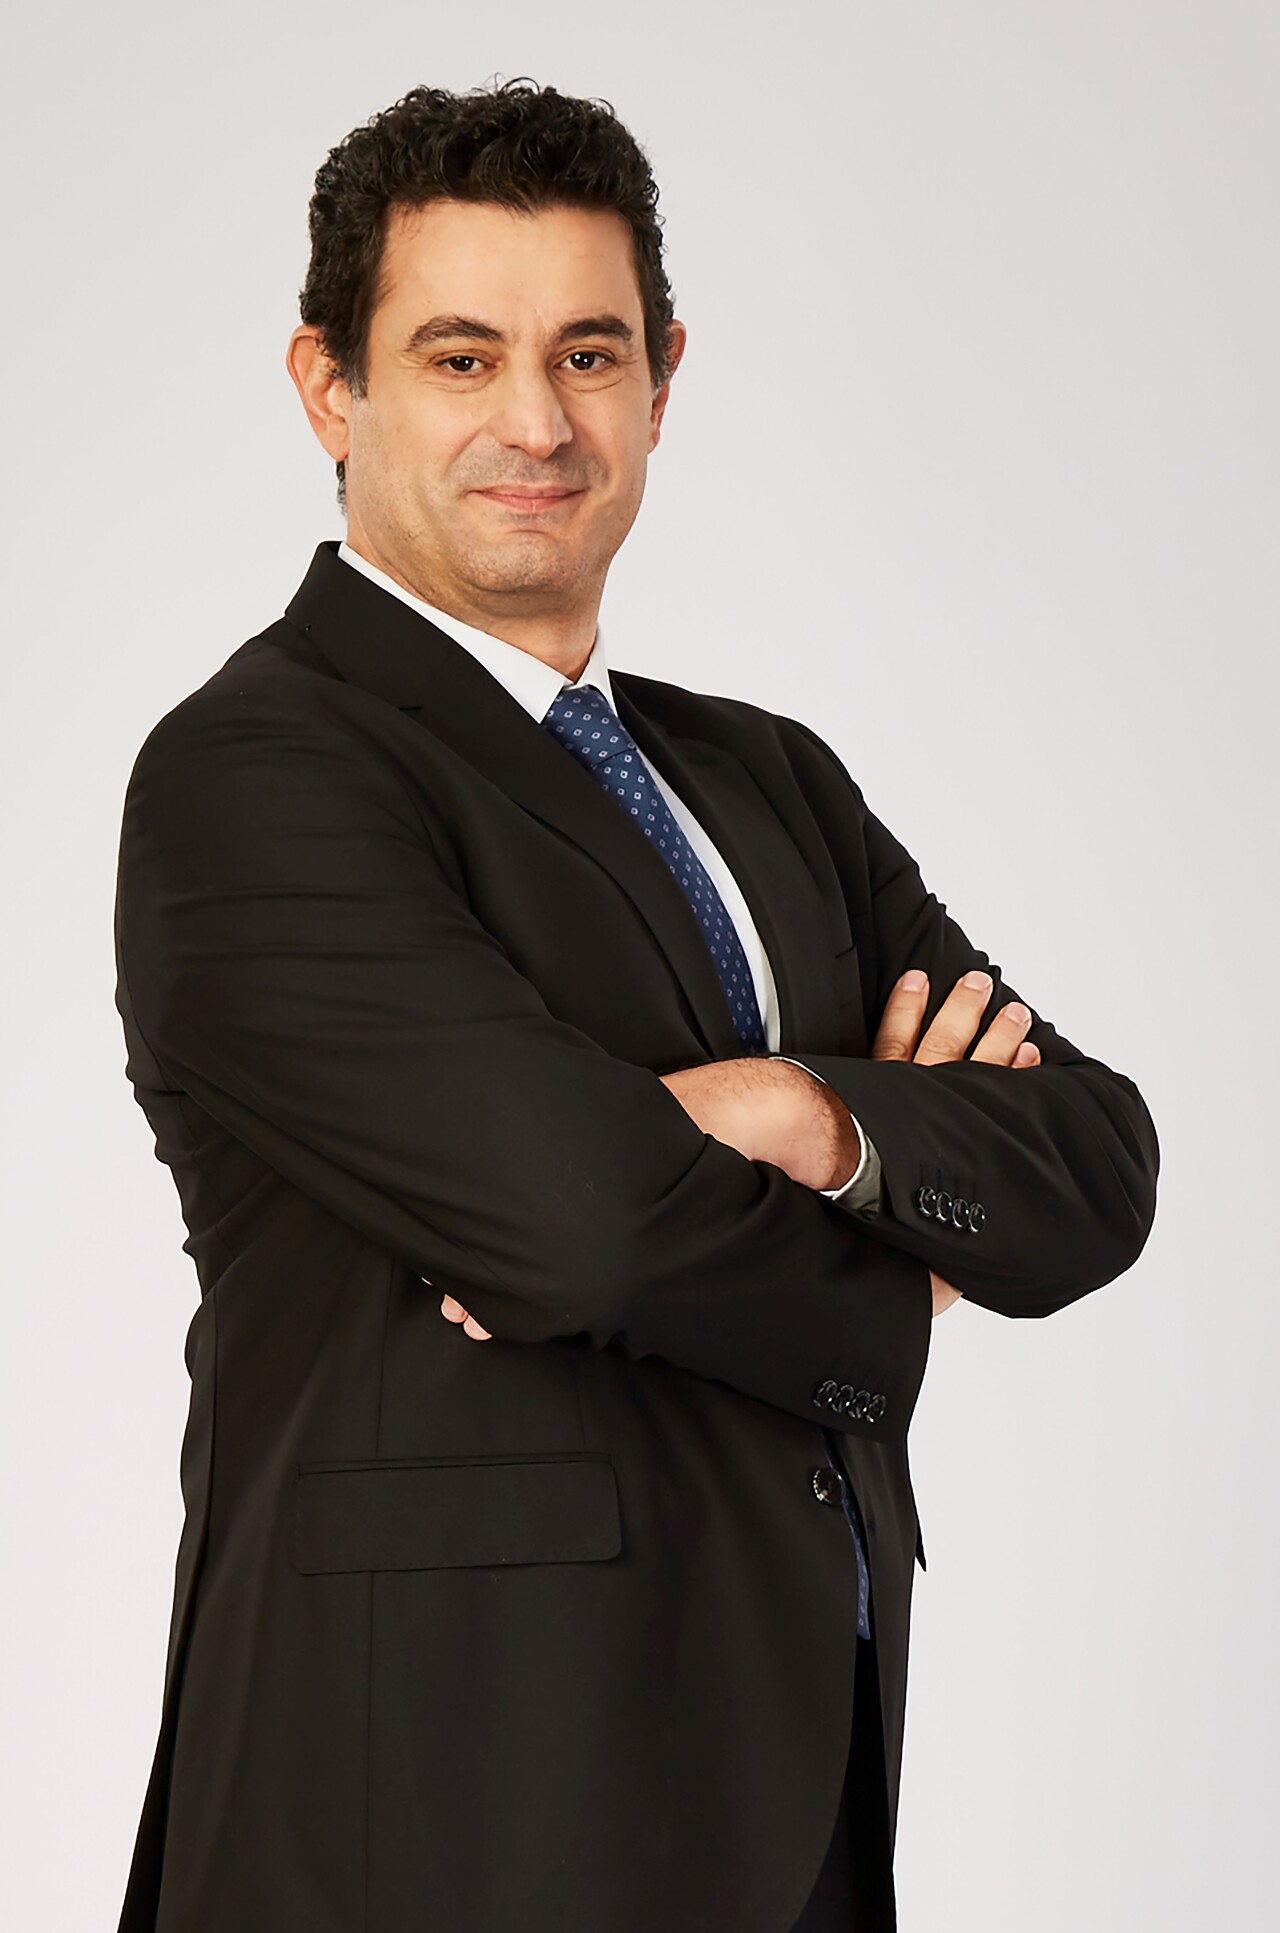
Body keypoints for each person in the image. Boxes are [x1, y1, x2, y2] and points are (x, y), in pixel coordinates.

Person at [112, 78, 1159, 1933]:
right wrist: (897, 1242)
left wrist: (793, 1114)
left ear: (664, 382)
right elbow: (577, 1217)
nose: (537, 421)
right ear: (329, 388)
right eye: (460, 356)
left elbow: (1091, 1160)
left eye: (587, 354)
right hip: (440, 1817)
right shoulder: (256, 774)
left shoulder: (771, 782)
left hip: (794, 1792)